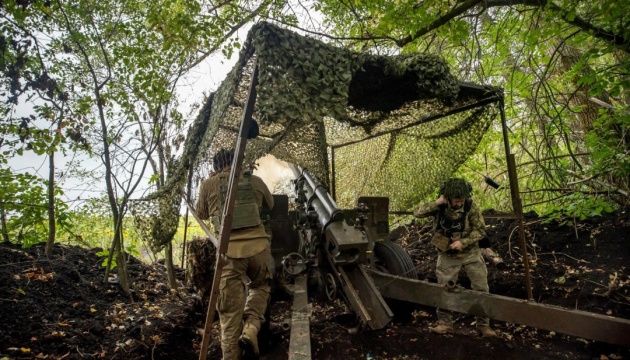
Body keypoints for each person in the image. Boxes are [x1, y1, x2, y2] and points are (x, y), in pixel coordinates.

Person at [196, 148, 274, 360]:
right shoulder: (255, 180)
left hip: (229, 254)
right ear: (239, 162)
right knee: (261, 286)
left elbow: (201, 213)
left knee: (229, 316)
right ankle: (251, 326)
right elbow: (271, 204)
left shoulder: (209, 184)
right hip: (259, 249)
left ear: (216, 167)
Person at [413, 178, 498, 338]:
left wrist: (463, 242)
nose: (459, 203)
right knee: (444, 288)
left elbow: (480, 231)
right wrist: (437, 203)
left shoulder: (471, 207)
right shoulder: (440, 206)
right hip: (447, 254)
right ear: (447, 197)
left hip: (471, 254)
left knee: (481, 288)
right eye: (456, 200)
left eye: (462, 200)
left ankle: (484, 326)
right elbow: (417, 212)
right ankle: (445, 324)